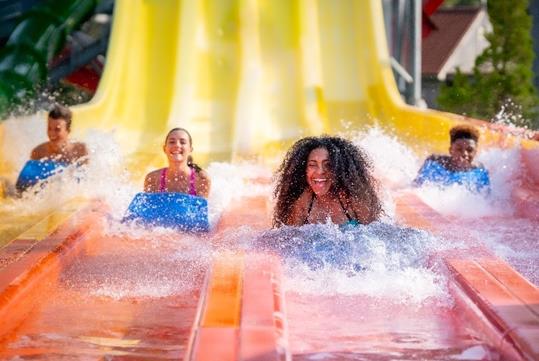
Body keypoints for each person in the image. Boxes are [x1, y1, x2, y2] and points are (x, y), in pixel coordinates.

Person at [273, 135, 382, 227]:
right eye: (312, 165)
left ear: (340, 169)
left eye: (328, 165)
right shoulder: (303, 203)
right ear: (304, 170)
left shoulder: (354, 199)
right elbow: (290, 242)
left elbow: (376, 235)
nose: (320, 171)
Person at [414, 124, 490, 192]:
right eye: (459, 149)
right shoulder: (435, 163)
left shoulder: (479, 172)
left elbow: (486, 199)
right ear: (451, 150)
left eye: (469, 150)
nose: (464, 154)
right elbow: (416, 186)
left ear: (475, 152)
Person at [143, 127, 211, 198]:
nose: (177, 145)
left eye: (183, 142)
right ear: (164, 148)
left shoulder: (201, 179)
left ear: (190, 149)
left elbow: (202, 208)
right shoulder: (153, 178)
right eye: (172, 142)